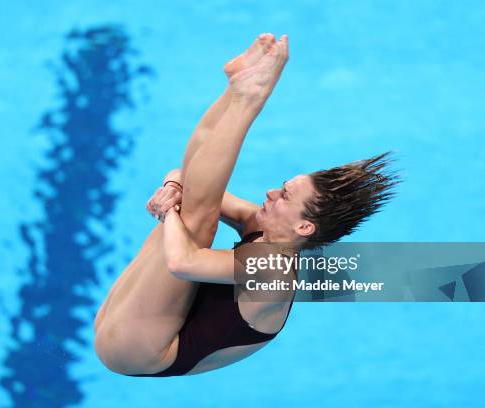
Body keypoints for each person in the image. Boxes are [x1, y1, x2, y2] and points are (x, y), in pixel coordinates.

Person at [94, 33, 399, 377]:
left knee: (193, 222)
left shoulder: (275, 271)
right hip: (125, 327)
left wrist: (169, 211)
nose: (271, 193)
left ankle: (248, 98)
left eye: (285, 196)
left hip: (138, 351)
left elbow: (182, 261)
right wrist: (172, 187)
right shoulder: (266, 231)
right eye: (283, 187)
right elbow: (190, 179)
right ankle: (235, 90)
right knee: (193, 204)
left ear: (304, 227)